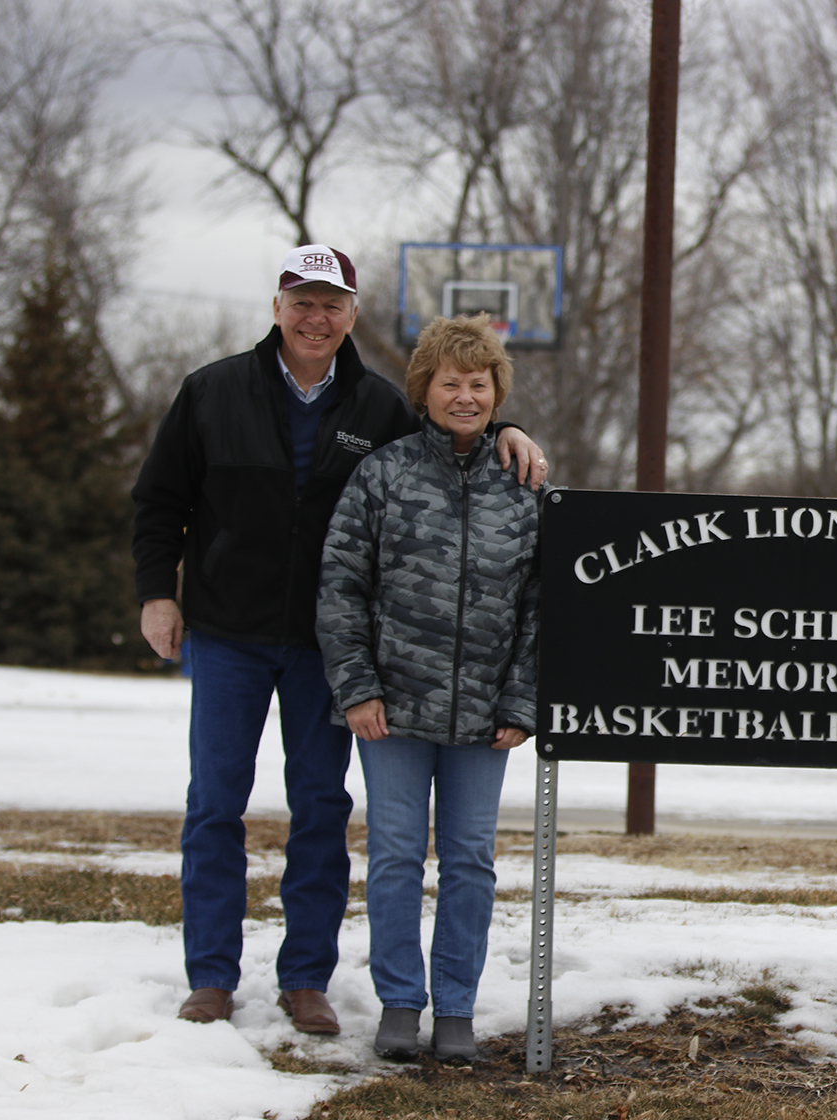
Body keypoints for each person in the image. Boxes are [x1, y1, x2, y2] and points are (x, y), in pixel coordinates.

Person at [131, 246, 547, 1034]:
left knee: (320, 808)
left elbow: (452, 431)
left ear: (351, 315)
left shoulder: (377, 404)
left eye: (331, 305)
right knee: (214, 803)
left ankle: (304, 979)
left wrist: (512, 430)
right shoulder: (213, 391)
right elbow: (159, 501)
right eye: (302, 302)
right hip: (226, 632)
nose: (315, 318)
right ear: (278, 307)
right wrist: (158, 592)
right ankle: (211, 975)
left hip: (322, 648)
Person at [317, 315, 539, 1063]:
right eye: (451, 383)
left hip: (485, 716)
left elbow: (540, 606)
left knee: (471, 859)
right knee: (395, 856)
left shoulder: (524, 485)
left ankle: (456, 1010)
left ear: (496, 392)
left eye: (479, 384)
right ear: (425, 390)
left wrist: (521, 701)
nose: (465, 396)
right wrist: (357, 687)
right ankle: (400, 1004)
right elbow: (341, 586)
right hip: (392, 709)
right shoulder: (384, 474)